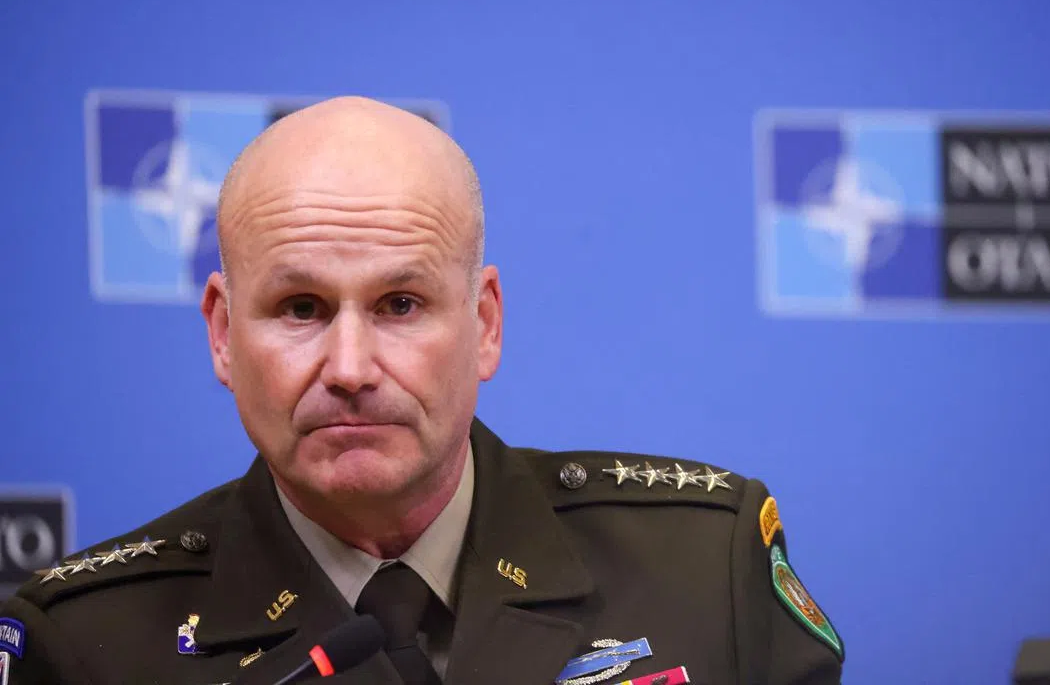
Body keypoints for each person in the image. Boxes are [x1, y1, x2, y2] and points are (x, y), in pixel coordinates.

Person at [0, 97, 844, 685]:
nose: (351, 366)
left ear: (484, 324)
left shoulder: (705, 568)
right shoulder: (86, 645)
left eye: (401, 305)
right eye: (301, 308)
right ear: (223, 333)